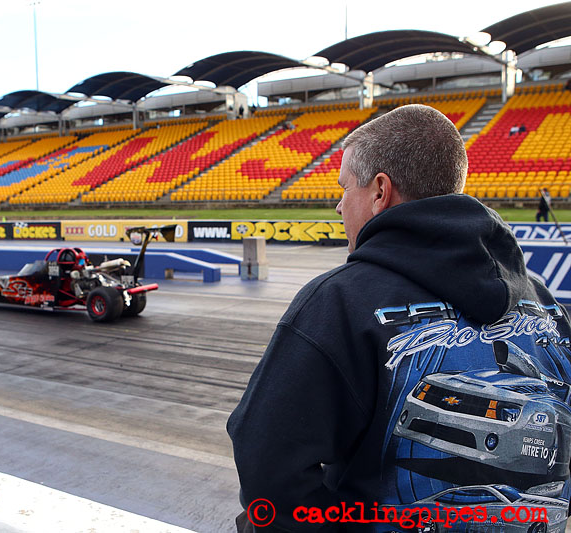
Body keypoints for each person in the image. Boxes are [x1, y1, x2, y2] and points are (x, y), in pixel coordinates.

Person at [227, 104, 571, 532]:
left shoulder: (339, 300)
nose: (338, 206)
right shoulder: (544, 299)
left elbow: (267, 466)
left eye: (344, 187)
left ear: (379, 192)